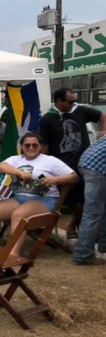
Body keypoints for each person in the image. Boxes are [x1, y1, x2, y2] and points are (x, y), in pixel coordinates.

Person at [0, 132, 78, 254]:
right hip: (19, 198)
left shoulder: (50, 161)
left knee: (18, 215)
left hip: (43, 200)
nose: (31, 148)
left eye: (35, 145)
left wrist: (54, 180)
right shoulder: (16, 159)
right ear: (21, 146)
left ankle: (13, 253)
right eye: (27, 145)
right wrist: (19, 173)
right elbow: (1, 166)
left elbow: (73, 177)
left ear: (40, 146)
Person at [39, 87, 106, 239]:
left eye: (74, 101)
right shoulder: (47, 119)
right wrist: (44, 165)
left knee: (87, 199)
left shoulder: (80, 111)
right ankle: (83, 229)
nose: (73, 104)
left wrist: (105, 130)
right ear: (59, 101)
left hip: (86, 165)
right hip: (63, 167)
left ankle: (80, 229)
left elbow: (102, 115)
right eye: (70, 101)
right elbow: (45, 146)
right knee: (72, 200)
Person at [72, 135, 106, 265]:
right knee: (92, 212)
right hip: (96, 169)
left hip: (88, 164)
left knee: (101, 209)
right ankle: (83, 255)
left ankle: (104, 246)